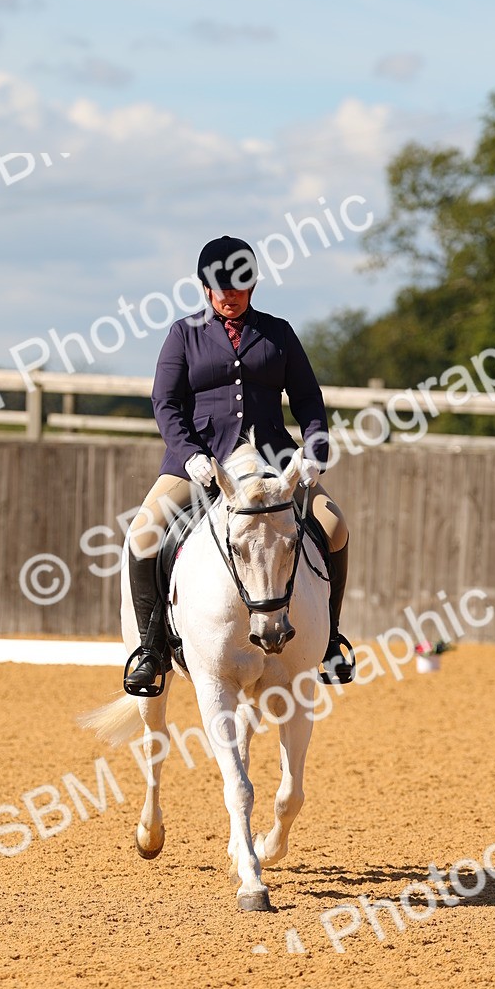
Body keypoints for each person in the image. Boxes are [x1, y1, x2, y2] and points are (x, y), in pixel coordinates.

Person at [123, 234, 353, 695]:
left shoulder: (278, 333)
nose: (230, 296)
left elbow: (308, 399)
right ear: (206, 288)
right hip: (202, 460)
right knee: (144, 533)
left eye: (239, 288)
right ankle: (151, 648)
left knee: (334, 526)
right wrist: (189, 454)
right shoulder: (184, 334)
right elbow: (166, 403)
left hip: (274, 460)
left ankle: (329, 640)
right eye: (221, 288)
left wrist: (314, 452)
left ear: (252, 287)